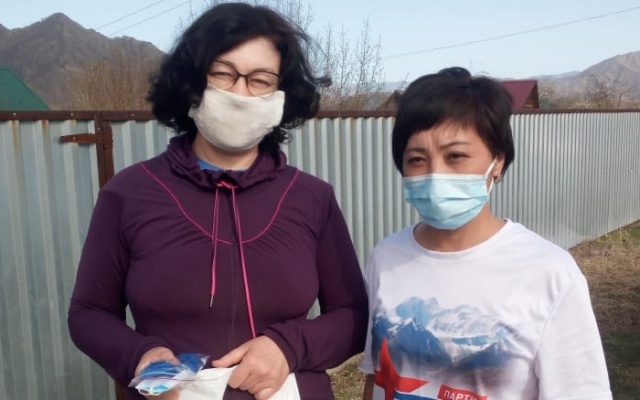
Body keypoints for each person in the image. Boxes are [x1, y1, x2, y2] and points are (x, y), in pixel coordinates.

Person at [67, 3, 368, 400]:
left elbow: (354, 316)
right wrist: (140, 356)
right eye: (223, 73)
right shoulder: (128, 193)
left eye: (260, 80)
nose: (240, 93)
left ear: (282, 94)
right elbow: (88, 314)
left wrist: (289, 347)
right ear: (192, 82)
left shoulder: (312, 198)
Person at [358, 67, 612, 400]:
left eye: (456, 156)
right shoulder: (386, 258)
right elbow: (377, 377)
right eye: (417, 159)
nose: (435, 174)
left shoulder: (549, 273)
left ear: (498, 162)